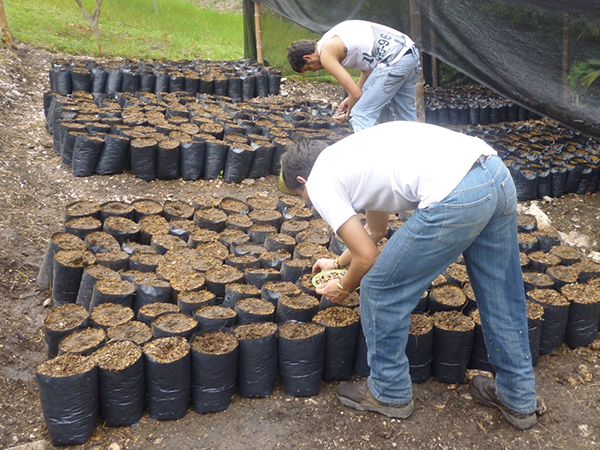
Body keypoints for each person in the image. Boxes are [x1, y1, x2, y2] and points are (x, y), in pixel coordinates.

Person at [280, 121, 539, 430]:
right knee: (500, 292)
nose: (308, 202)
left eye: (301, 195)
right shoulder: (352, 155)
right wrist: (337, 261)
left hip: (456, 194)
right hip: (494, 173)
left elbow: (367, 258)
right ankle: (518, 398)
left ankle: (388, 391)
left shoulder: (319, 182)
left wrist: (345, 286)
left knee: (379, 289)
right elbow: (375, 231)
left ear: (302, 180)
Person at [287, 20, 420, 132]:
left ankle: (363, 161)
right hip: (409, 53)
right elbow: (366, 71)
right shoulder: (332, 38)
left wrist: (349, 112)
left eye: (308, 68)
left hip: (392, 59)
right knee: (405, 117)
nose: (314, 71)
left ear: (308, 57)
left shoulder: (326, 53)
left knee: (361, 115)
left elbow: (356, 94)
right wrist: (350, 100)